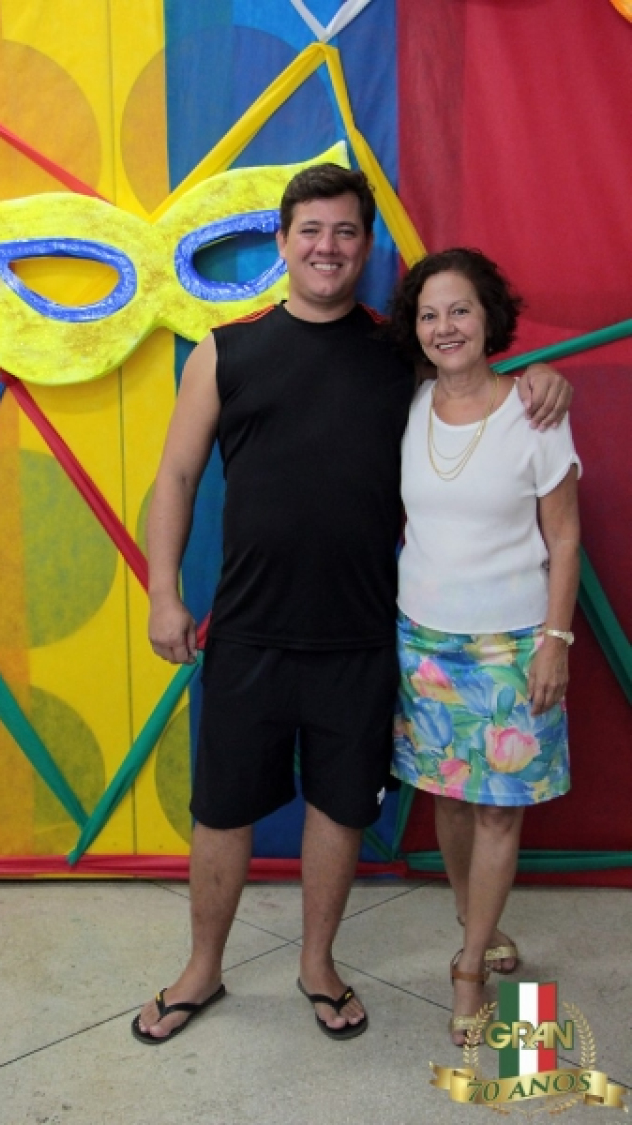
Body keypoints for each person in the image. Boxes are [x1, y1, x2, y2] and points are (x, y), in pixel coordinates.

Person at [133, 166, 572, 1045]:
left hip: (365, 636)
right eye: (311, 230)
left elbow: (475, 378)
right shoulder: (225, 351)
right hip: (248, 629)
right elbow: (175, 476)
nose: (327, 246)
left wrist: (543, 375)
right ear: (282, 241)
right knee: (221, 808)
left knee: (339, 807)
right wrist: (163, 590)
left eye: (344, 232)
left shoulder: (399, 355)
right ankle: (201, 968)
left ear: (366, 247)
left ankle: (318, 965)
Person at [388, 248, 581, 1045]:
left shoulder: (535, 411)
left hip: (513, 642)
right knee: (453, 798)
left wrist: (555, 642)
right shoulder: (409, 402)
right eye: (429, 314)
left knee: (500, 808)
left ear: (489, 316)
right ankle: (478, 920)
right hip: (424, 640)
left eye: (460, 309)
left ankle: (469, 969)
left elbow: (564, 539)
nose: (445, 327)